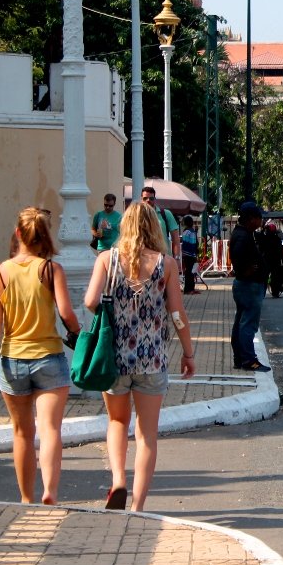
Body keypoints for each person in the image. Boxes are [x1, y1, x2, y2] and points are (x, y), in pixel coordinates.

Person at [84, 203, 195, 511]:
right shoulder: (167, 264)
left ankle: (118, 479)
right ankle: (138, 507)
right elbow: (177, 313)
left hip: (115, 359)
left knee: (117, 421)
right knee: (147, 435)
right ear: (153, 227)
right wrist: (188, 352)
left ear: (125, 226)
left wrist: (114, 307)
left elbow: (90, 301)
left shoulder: (107, 260)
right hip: (152, 360)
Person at [0, 208, 81, 505]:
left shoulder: (2, 271)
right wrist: (79, 332)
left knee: (21, 432)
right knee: (49, 429)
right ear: (44, 236)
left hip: (12, 359)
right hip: (48, 357)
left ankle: (25, 497)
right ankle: (50, 490)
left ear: (18, 234)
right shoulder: (51, 270)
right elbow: (66, 313)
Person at [230, 202, 269, 371]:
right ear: (251, 219)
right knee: (248, 324)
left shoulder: (245, 233)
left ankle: (240, 358)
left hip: (248, 284)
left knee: (241, 322)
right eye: (259, 217)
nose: (261, 221)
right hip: (249, 285)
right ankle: (248, 360)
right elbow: (237, 259)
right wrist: (246, 271)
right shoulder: (242, 236)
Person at [140, 186, 181, 261]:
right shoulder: (136, 216)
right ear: (141, 199)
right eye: (145, 198)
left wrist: (177, 258)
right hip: (144, 260)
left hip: (163, 258)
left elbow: (175, 238)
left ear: (155, 199)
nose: (148, 200)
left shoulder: (165, 214)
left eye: (151, 198)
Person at [180, 215, 199, 295]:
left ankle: (190, 288)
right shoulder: (190, 232)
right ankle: (189, 289)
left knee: (190, 272)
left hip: (187, 254)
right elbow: (193, 244)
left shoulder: (186, 231)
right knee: (190, 272)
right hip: (190, 255)